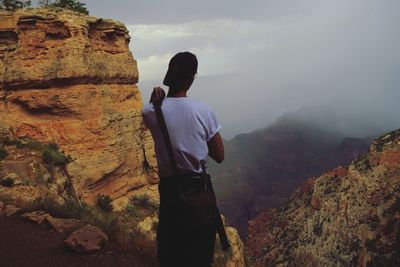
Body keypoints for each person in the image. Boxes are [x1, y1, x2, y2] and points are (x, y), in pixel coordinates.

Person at [141, 52, 224, 267]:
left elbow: (154, 111)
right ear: (193, 77)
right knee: (199, 252)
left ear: (169, 72)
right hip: (198, 190)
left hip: (170, 190)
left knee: (171, 250)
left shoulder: (150, 112)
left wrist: (156, 98)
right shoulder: (204, 111)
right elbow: (219, 156)